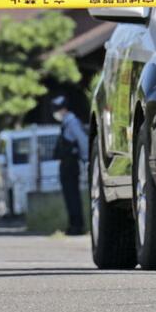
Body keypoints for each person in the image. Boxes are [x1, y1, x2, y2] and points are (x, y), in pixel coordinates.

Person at [51, 94, 89, 236]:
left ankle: (77, 226)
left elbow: (83, 140)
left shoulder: (72, 122)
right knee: (69, 196)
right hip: (66, 164)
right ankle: (73, 224)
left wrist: (86, 159)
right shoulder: (66, 122)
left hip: (71, 164)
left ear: (64, 109)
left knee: (72, 196)